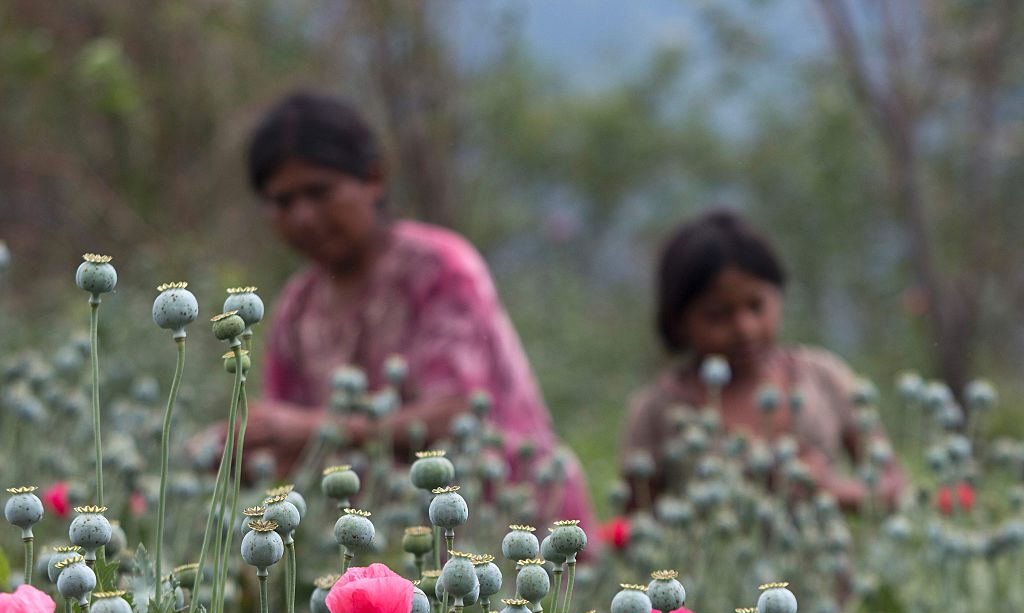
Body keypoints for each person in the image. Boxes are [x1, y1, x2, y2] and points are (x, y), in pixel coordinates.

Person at [228, 91, 596, 527]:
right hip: (386, 544)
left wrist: (310, 430)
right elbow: (285, 448)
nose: (303, 216)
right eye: (283, 202)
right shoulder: (297, 307)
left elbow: (459, 411)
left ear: (373, 179)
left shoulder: (439, 267)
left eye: (319, 192)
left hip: (511, 530)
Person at [621, 209, 905, 510]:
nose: (745, 328)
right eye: (719, 315)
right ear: (678, 321)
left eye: (756, 306)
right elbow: (637, 521)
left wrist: (831, 490)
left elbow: (894, 485)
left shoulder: (821, 377)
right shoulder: (660, 410)